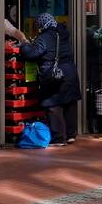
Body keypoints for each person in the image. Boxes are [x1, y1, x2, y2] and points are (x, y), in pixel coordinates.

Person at [18, 12, 81, 146]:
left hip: (53, 74)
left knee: (53, 104)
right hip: (70, 72)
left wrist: (24, 43)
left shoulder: (45, 37)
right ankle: (71, 134)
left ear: (41, 25)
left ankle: (59, 137)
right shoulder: (63, 33)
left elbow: (32, 53)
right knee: (69, 102)